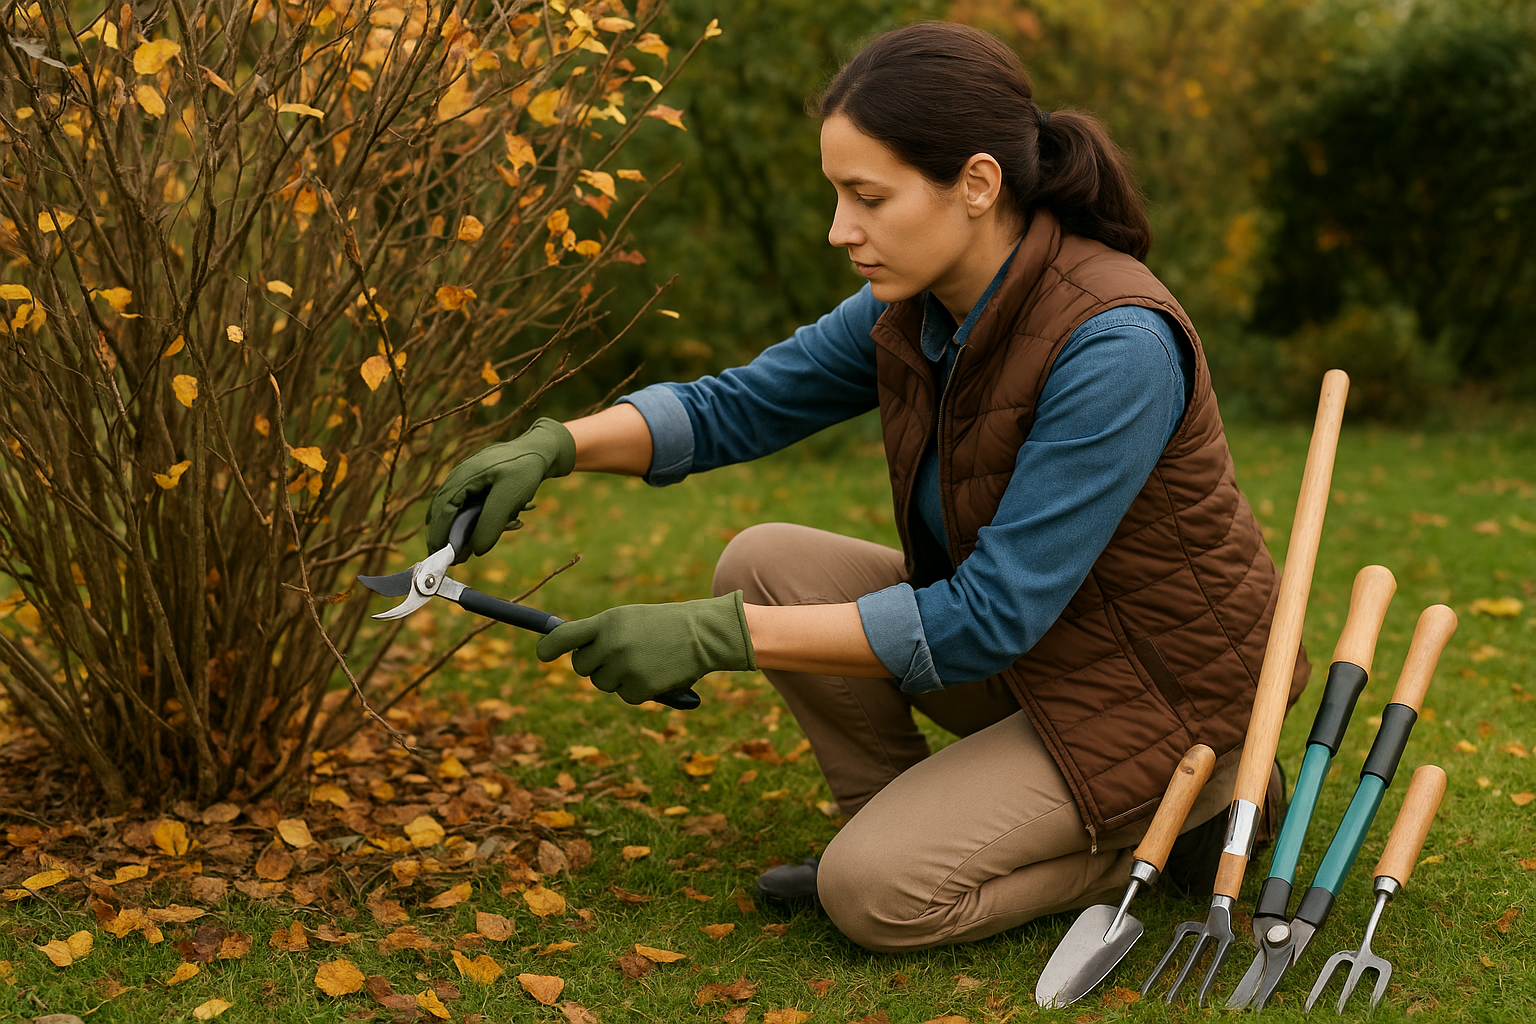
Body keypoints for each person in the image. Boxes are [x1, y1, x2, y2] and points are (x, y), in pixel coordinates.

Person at [426, 21, 1303, 953]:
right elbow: (738, 407)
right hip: (1044, 664)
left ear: (976, 184)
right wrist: (559, 443)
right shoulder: (916, 302)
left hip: (1159, 697)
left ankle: (1180, 826)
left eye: (868, 197)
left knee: (877, 895)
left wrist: (711, 636)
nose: (841, 229)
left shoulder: (1113, 344)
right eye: (838, 194)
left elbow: (988, 616)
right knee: (765, 562)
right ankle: (902, 820)